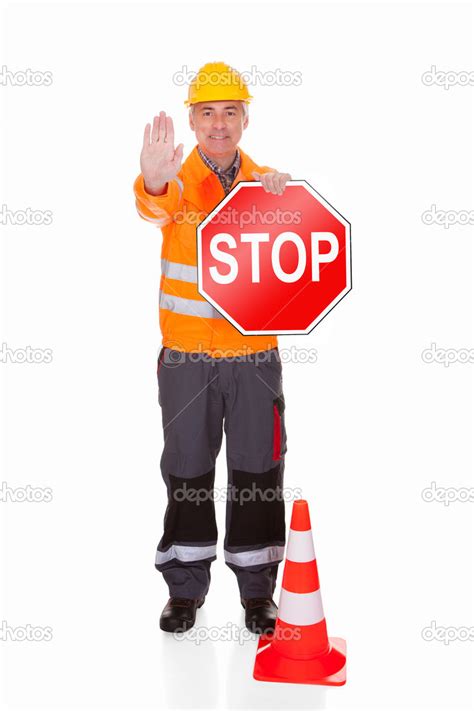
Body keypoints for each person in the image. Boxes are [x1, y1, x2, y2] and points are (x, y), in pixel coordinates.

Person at [133, 62, 291, 634]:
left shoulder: (268, 183)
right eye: (207, 113)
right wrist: (151, 180)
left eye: (229, 112)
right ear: (192, 121)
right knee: (187, 470)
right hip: (187, 359)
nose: (218, 124)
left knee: (258, 470)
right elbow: (154, 205)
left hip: (254, 361)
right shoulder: (175, 182)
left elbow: (296, 260)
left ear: (245, 119)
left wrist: (285, 200)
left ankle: (257, 592)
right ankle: (184, 589)